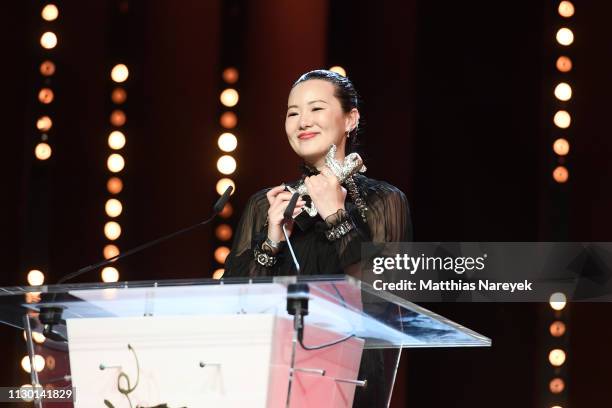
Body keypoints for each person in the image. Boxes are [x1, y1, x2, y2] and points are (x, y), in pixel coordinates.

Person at [225, 69, 411, 407]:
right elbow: (236, 306)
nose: (302, 121)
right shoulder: (266, 205)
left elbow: (384, 302)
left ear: (350, 119)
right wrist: (271, 239)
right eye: (293, 112)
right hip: (269, 377)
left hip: (349, 380)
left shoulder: (383, 202)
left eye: (316, 108)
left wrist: (336, 216)